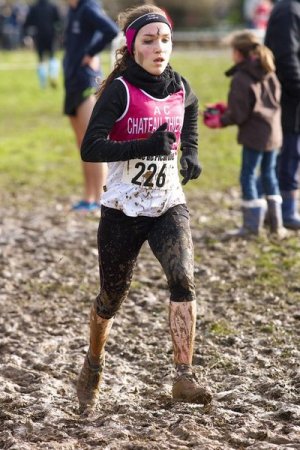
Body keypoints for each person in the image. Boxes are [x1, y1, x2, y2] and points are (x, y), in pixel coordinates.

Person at [76, 4, 211, 414]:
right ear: (132, 47)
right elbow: (91, 147)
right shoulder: (120, 91)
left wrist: (190, 152)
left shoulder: (179, 84)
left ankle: (183, 376)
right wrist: (144, 146)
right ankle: (93, 364)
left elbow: (191, 108)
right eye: (149, 40)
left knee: (183, 279)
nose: (159, 47)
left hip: (168, 203)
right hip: (122, 209)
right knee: (110, 298)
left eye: (165, 39)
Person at [204, 30, 286, 237]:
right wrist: (226, 108)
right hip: (273, 132)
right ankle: (277, 225)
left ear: (239, 53)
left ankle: (251, 227)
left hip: (255, 135)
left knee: (248, 175)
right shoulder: (268, 69)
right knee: (269, 174)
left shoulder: (242, 77)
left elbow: (240, 114)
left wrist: (220, 121)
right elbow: (261, 103)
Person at [63, 0, 119, 212]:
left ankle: (101, 199)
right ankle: (88, 198)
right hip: (72, 83)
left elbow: (111, 30)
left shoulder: (88, 7)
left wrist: (91, 53)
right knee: (82, 146)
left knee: (92, 143)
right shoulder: (73, 10)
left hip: (87, 82)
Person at [265, 0, 300, 229]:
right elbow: (285, 58)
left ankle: (279, 210)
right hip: (290, 99)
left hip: (293, 98)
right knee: (287, 154)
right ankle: (282, 212)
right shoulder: (289, 9)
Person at [23, 0, 62, 88]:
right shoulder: (53, 6)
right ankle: (53, 76)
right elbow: (59, 21)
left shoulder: (34, 7)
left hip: (39, 36)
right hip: (51, 35)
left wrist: (28, 34)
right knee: (52, 56)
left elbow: (27, 23)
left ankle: (43, 84)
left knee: (41, 59)